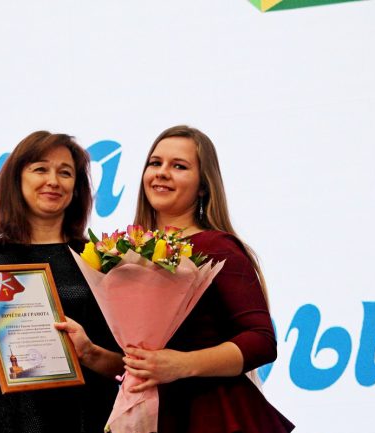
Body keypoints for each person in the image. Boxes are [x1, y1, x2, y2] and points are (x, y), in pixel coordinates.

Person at [0, 131, 122, 433]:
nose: (53, 181)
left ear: (76, 188)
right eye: (40, 169)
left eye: (65, 173)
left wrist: (89, 353)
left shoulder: (99, 262)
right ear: (16, 181)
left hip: (90, 419)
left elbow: (132, 366)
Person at [124, 125, 295, 432]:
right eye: (155, 163)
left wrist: (181, 364)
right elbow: (138, 359)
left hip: (214, 413)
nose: (162, 173)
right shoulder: (125, 254)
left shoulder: (217, 247)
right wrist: (90, 351)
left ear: (203, 186)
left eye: (179, 166)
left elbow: (261, 340)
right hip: (152, 412)